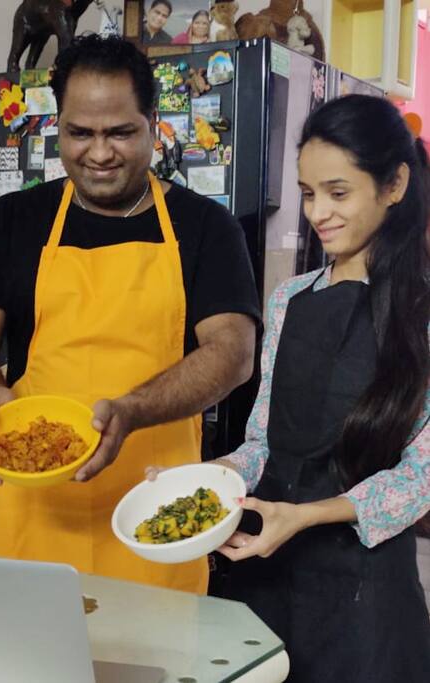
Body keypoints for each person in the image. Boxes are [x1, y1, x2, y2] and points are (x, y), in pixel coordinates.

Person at [0, 34, 260, 595]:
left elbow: (233, 353)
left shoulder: (206, 227)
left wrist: (130, 411)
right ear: (59, 126)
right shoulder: (11, 220)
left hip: (154, 512)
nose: (100, 153)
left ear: (153, 125)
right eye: (80, 133)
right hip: (35, 511)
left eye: (120, 132)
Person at [214, 95, 430, 681]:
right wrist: (208, 478)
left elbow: (420, 476)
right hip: (264, 573)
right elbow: (262, 441)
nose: (318, 213)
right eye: (308, 194)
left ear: (394, 185)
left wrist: (307, 515)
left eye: (338, 193)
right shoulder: (289, 299)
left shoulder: (421, 313)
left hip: (363, 599)